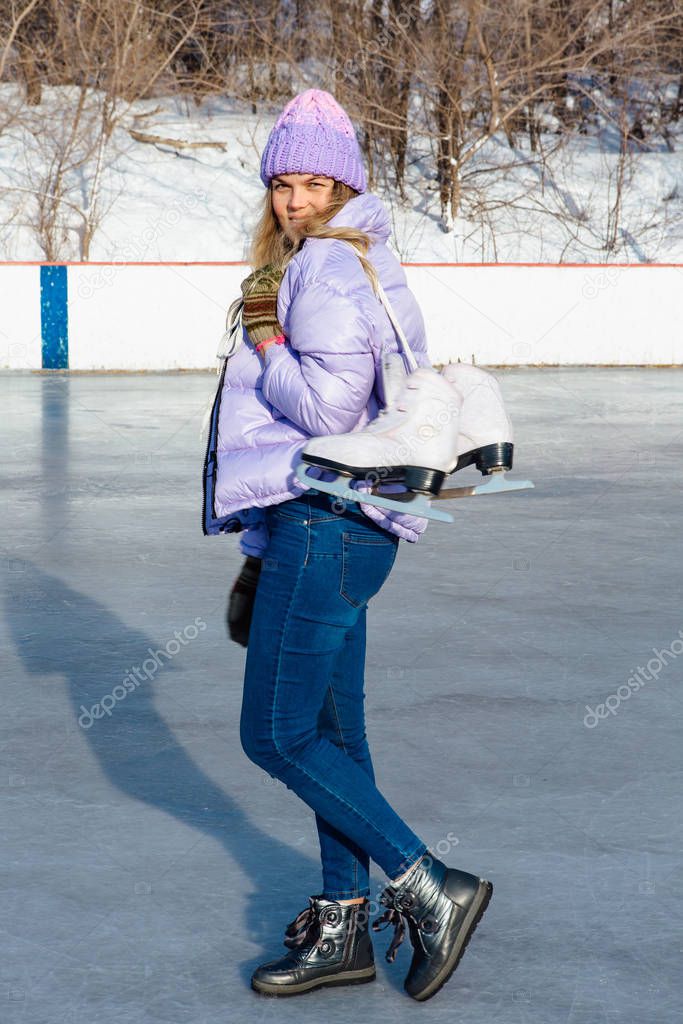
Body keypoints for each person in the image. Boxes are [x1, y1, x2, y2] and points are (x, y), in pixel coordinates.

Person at [210, 89, 492, 1001]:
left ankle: (427, 885)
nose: (295, 200)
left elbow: (326, 410)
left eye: (314, 182)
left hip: (324, 525)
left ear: (346, 185)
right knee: (334, 734)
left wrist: (260, 334)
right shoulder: (354, 257)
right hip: (342, 524)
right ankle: (342, 929)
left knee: (276, 735)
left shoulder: (324, 270)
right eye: (283, 184)